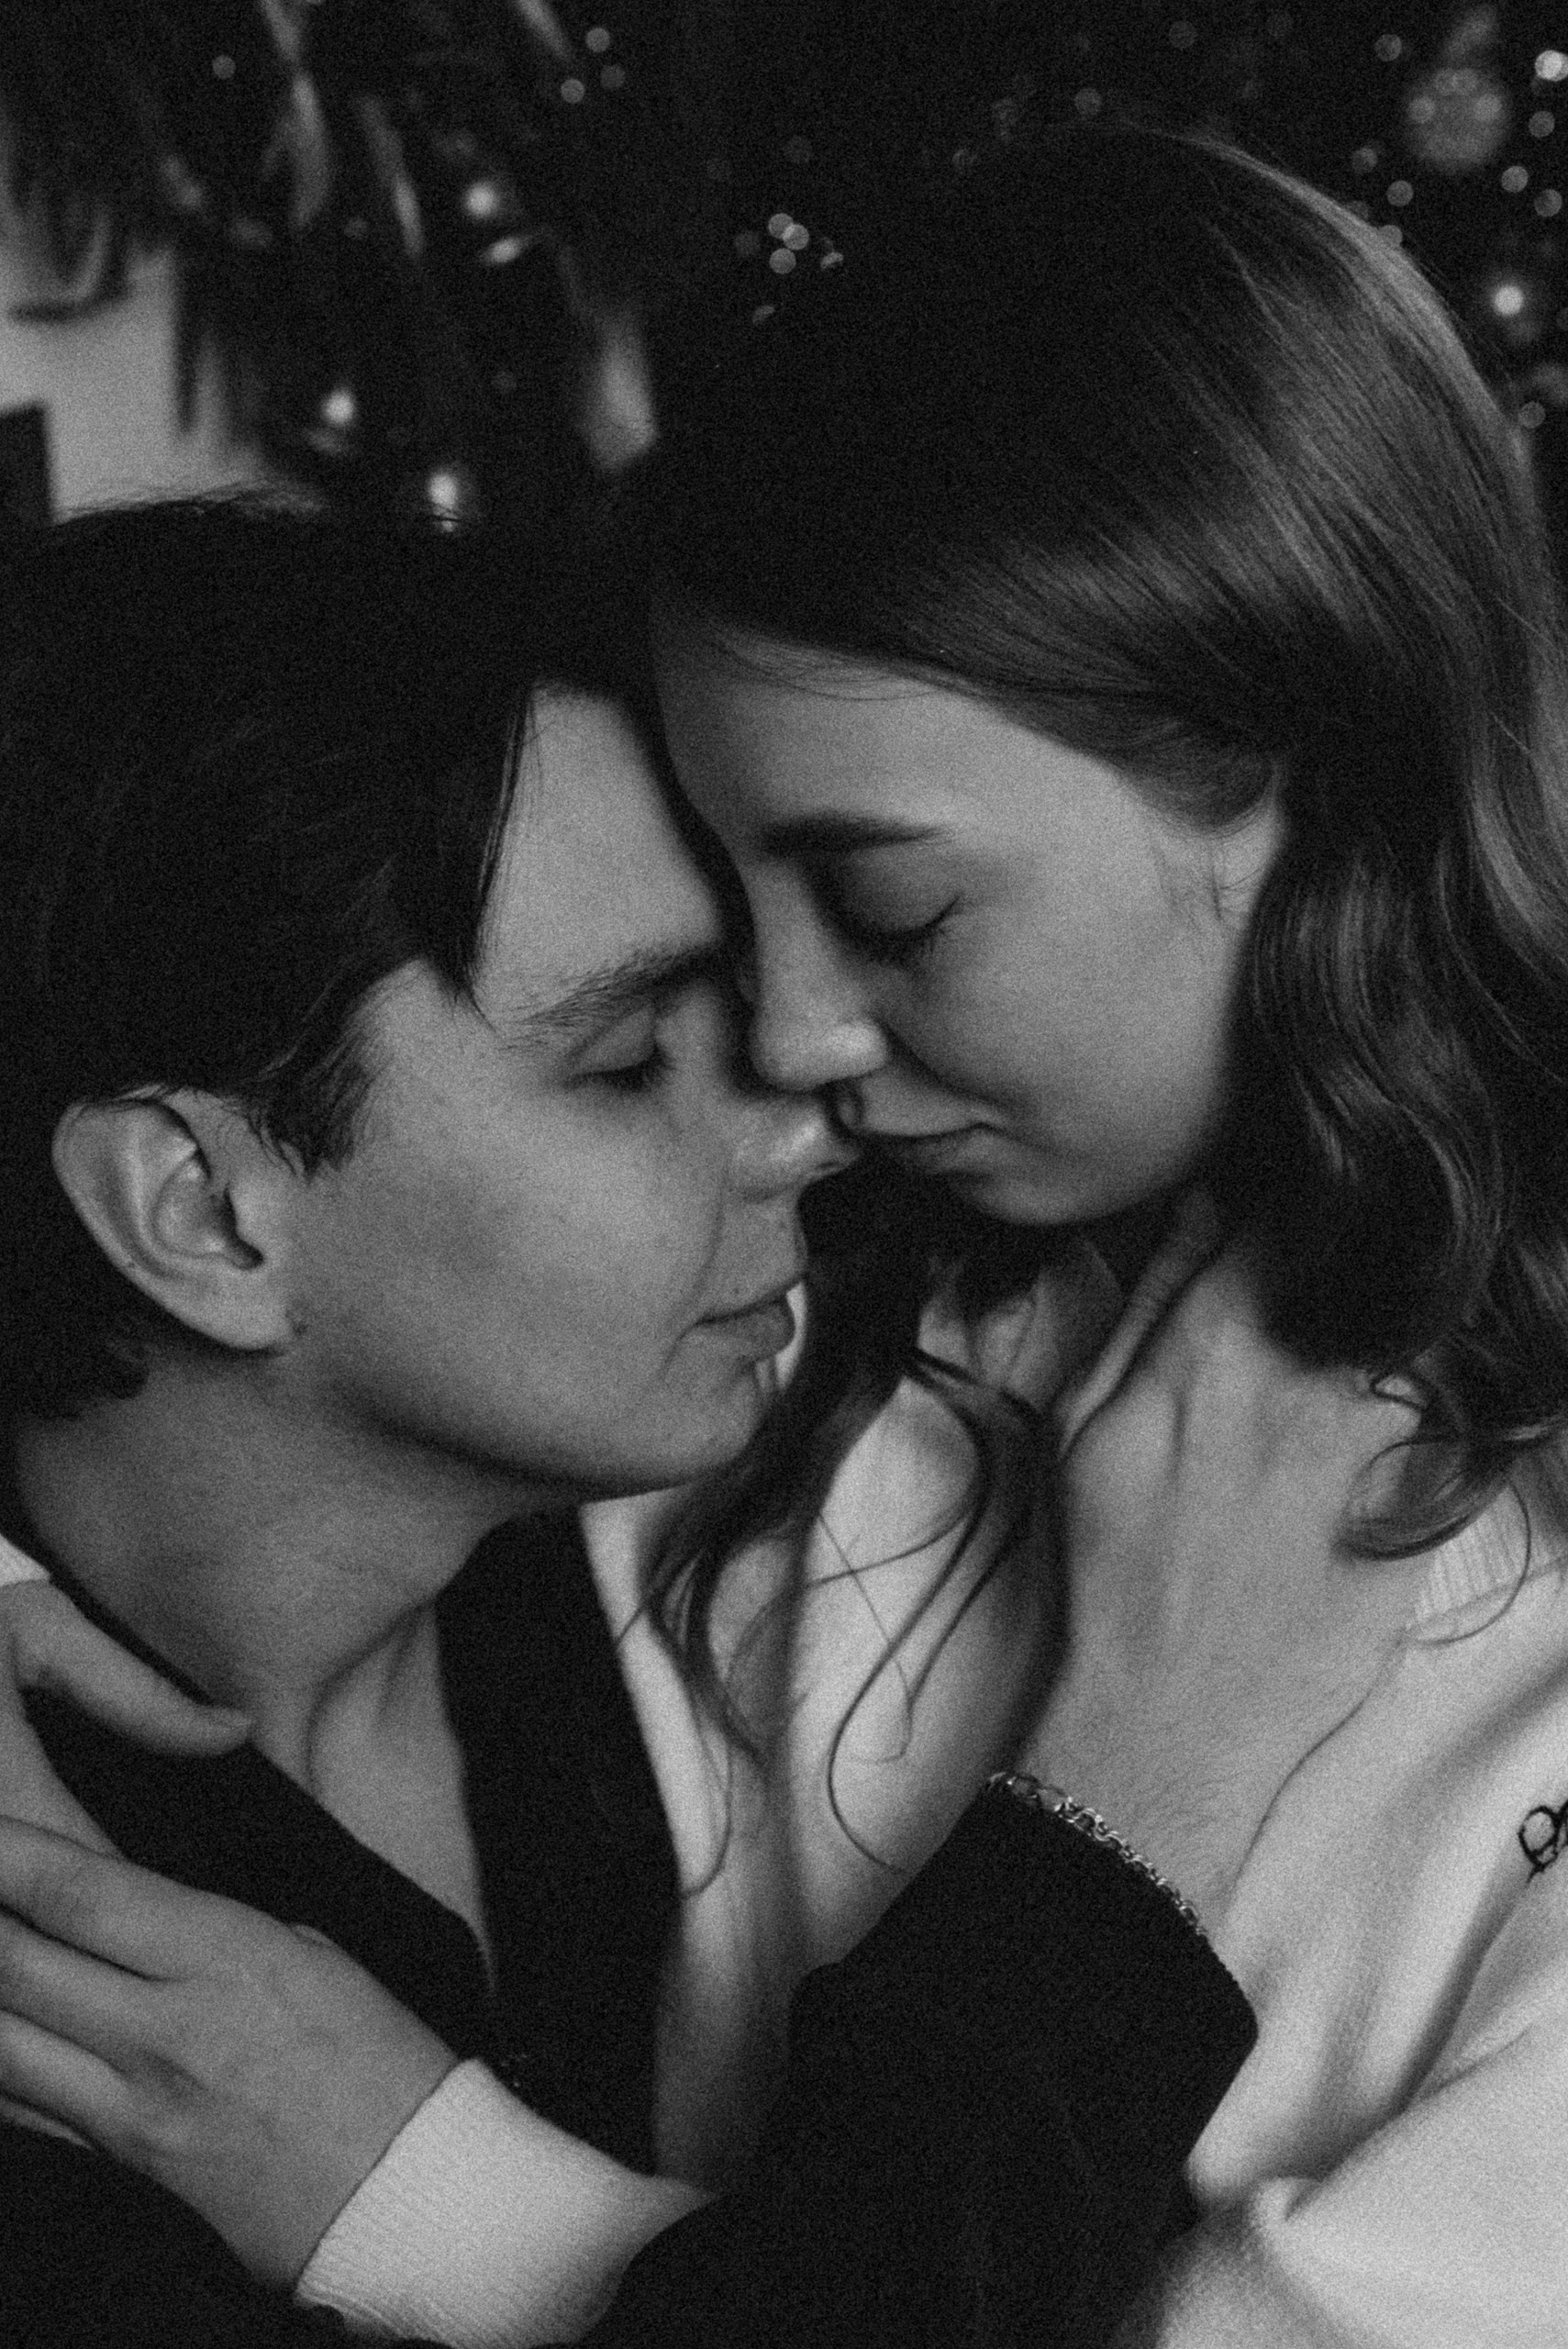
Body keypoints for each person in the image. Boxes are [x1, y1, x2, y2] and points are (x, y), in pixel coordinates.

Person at [0, 115, 1551, 2344]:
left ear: (1323, 782)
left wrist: (435, 2187)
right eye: (654, 1034)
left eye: (895, 908)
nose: (806, 1068)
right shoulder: (796, 1363)